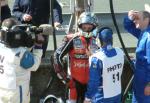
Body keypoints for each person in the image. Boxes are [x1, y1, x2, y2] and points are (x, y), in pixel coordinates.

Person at [53, 12, 99, 103]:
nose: (87, 30)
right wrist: (65, 79)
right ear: (80, 26)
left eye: (89, 28)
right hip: (74, 84)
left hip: (91, 85)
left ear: (94, 27)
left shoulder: (97, 40)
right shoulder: (72, 39)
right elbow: (56, 56)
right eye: (84, 27)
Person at [0, 18, 44, 103]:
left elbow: (18, 49)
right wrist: (38, 46)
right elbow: (34, 65)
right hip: (16, 90)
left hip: (2, 88)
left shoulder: (2, 47)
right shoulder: (19, 53)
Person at [84, 27, 124, 103]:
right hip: (117, 93)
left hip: (102, 96)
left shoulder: (97, 58)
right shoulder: (120, 52)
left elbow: (94, 82)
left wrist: (88, 98)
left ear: (99, 40)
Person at [124, 10, 150, 103]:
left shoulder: (149, 36)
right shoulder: (142, 33)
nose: (134, 21)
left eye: (137, 18)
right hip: (139, 80)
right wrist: (130, 17)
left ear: (147, 19)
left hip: (146, 83)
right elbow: (128, 26)